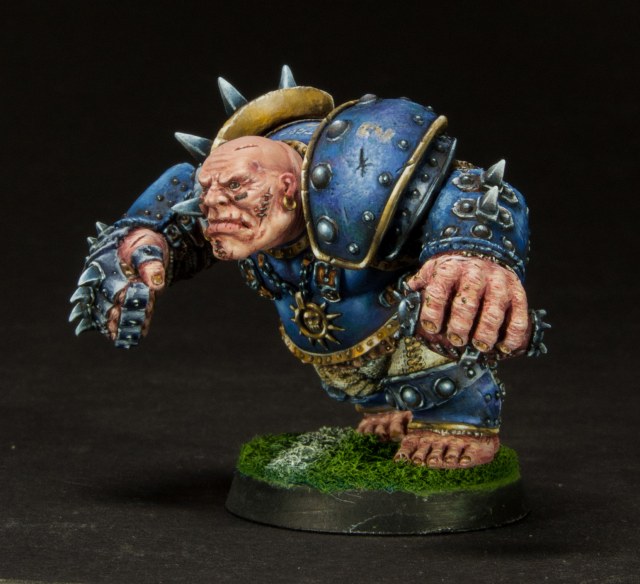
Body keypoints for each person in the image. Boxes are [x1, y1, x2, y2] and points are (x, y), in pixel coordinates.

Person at [70, 67, 548, 469]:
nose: (215, 206)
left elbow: (471, 187)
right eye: (209, 192)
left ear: (286, 187)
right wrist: (139, 243)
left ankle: (460, 420)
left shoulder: (363, 181)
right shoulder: (229, 207)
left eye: (235, 188)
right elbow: (171, 227)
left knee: (444, 301)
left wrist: (470, 251)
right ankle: (385, 406)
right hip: (339, 359)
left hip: (412, 340)